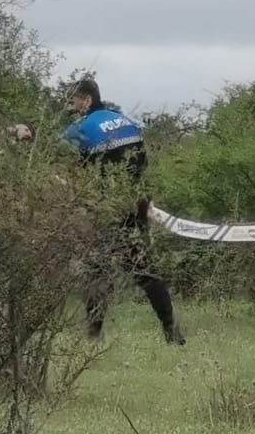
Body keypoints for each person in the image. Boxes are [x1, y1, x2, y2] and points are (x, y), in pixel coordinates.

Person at [60, 78, 185, 346]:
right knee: (144, 271)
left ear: (87, 100)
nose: (70, 107)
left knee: (97, 272)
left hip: (106, 210)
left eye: (73, 101)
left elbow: (54, 155)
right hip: (135, 205)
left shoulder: (79, 128)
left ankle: (93, 337)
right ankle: (171, 331)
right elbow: (143, 161)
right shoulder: (126, 120)